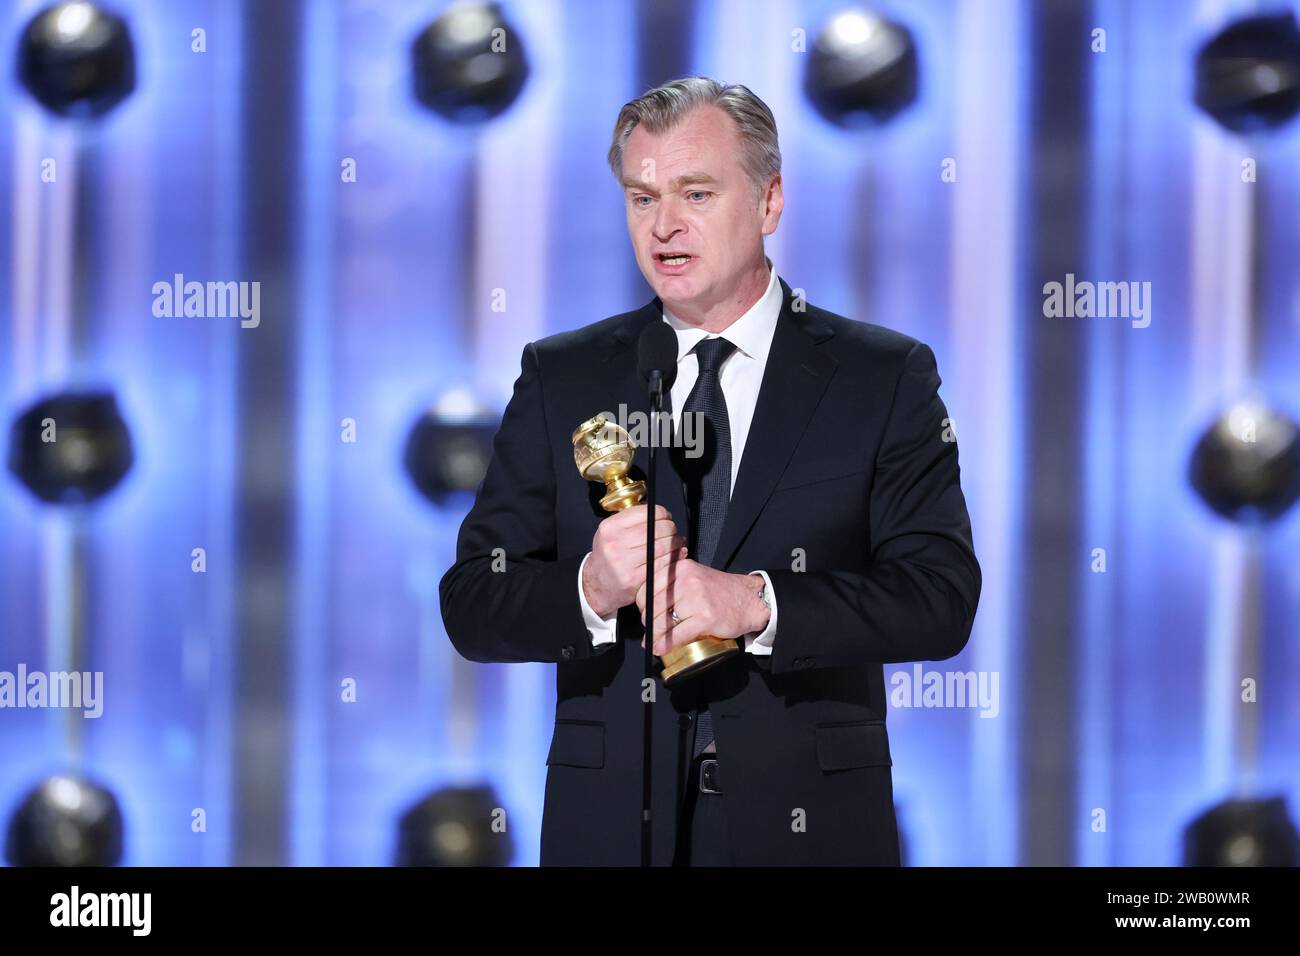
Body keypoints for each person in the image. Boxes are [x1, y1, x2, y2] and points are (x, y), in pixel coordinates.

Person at [439, 76, 980, 866]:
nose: (664, 226)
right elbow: (473, 602)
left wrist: (757, 603)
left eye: (696, 193)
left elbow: (939, 596)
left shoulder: (881, 376)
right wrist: (589, 589)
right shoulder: (566, 376)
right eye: (641, 197)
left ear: (769, 202)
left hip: (811, 830)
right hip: (613, 830)